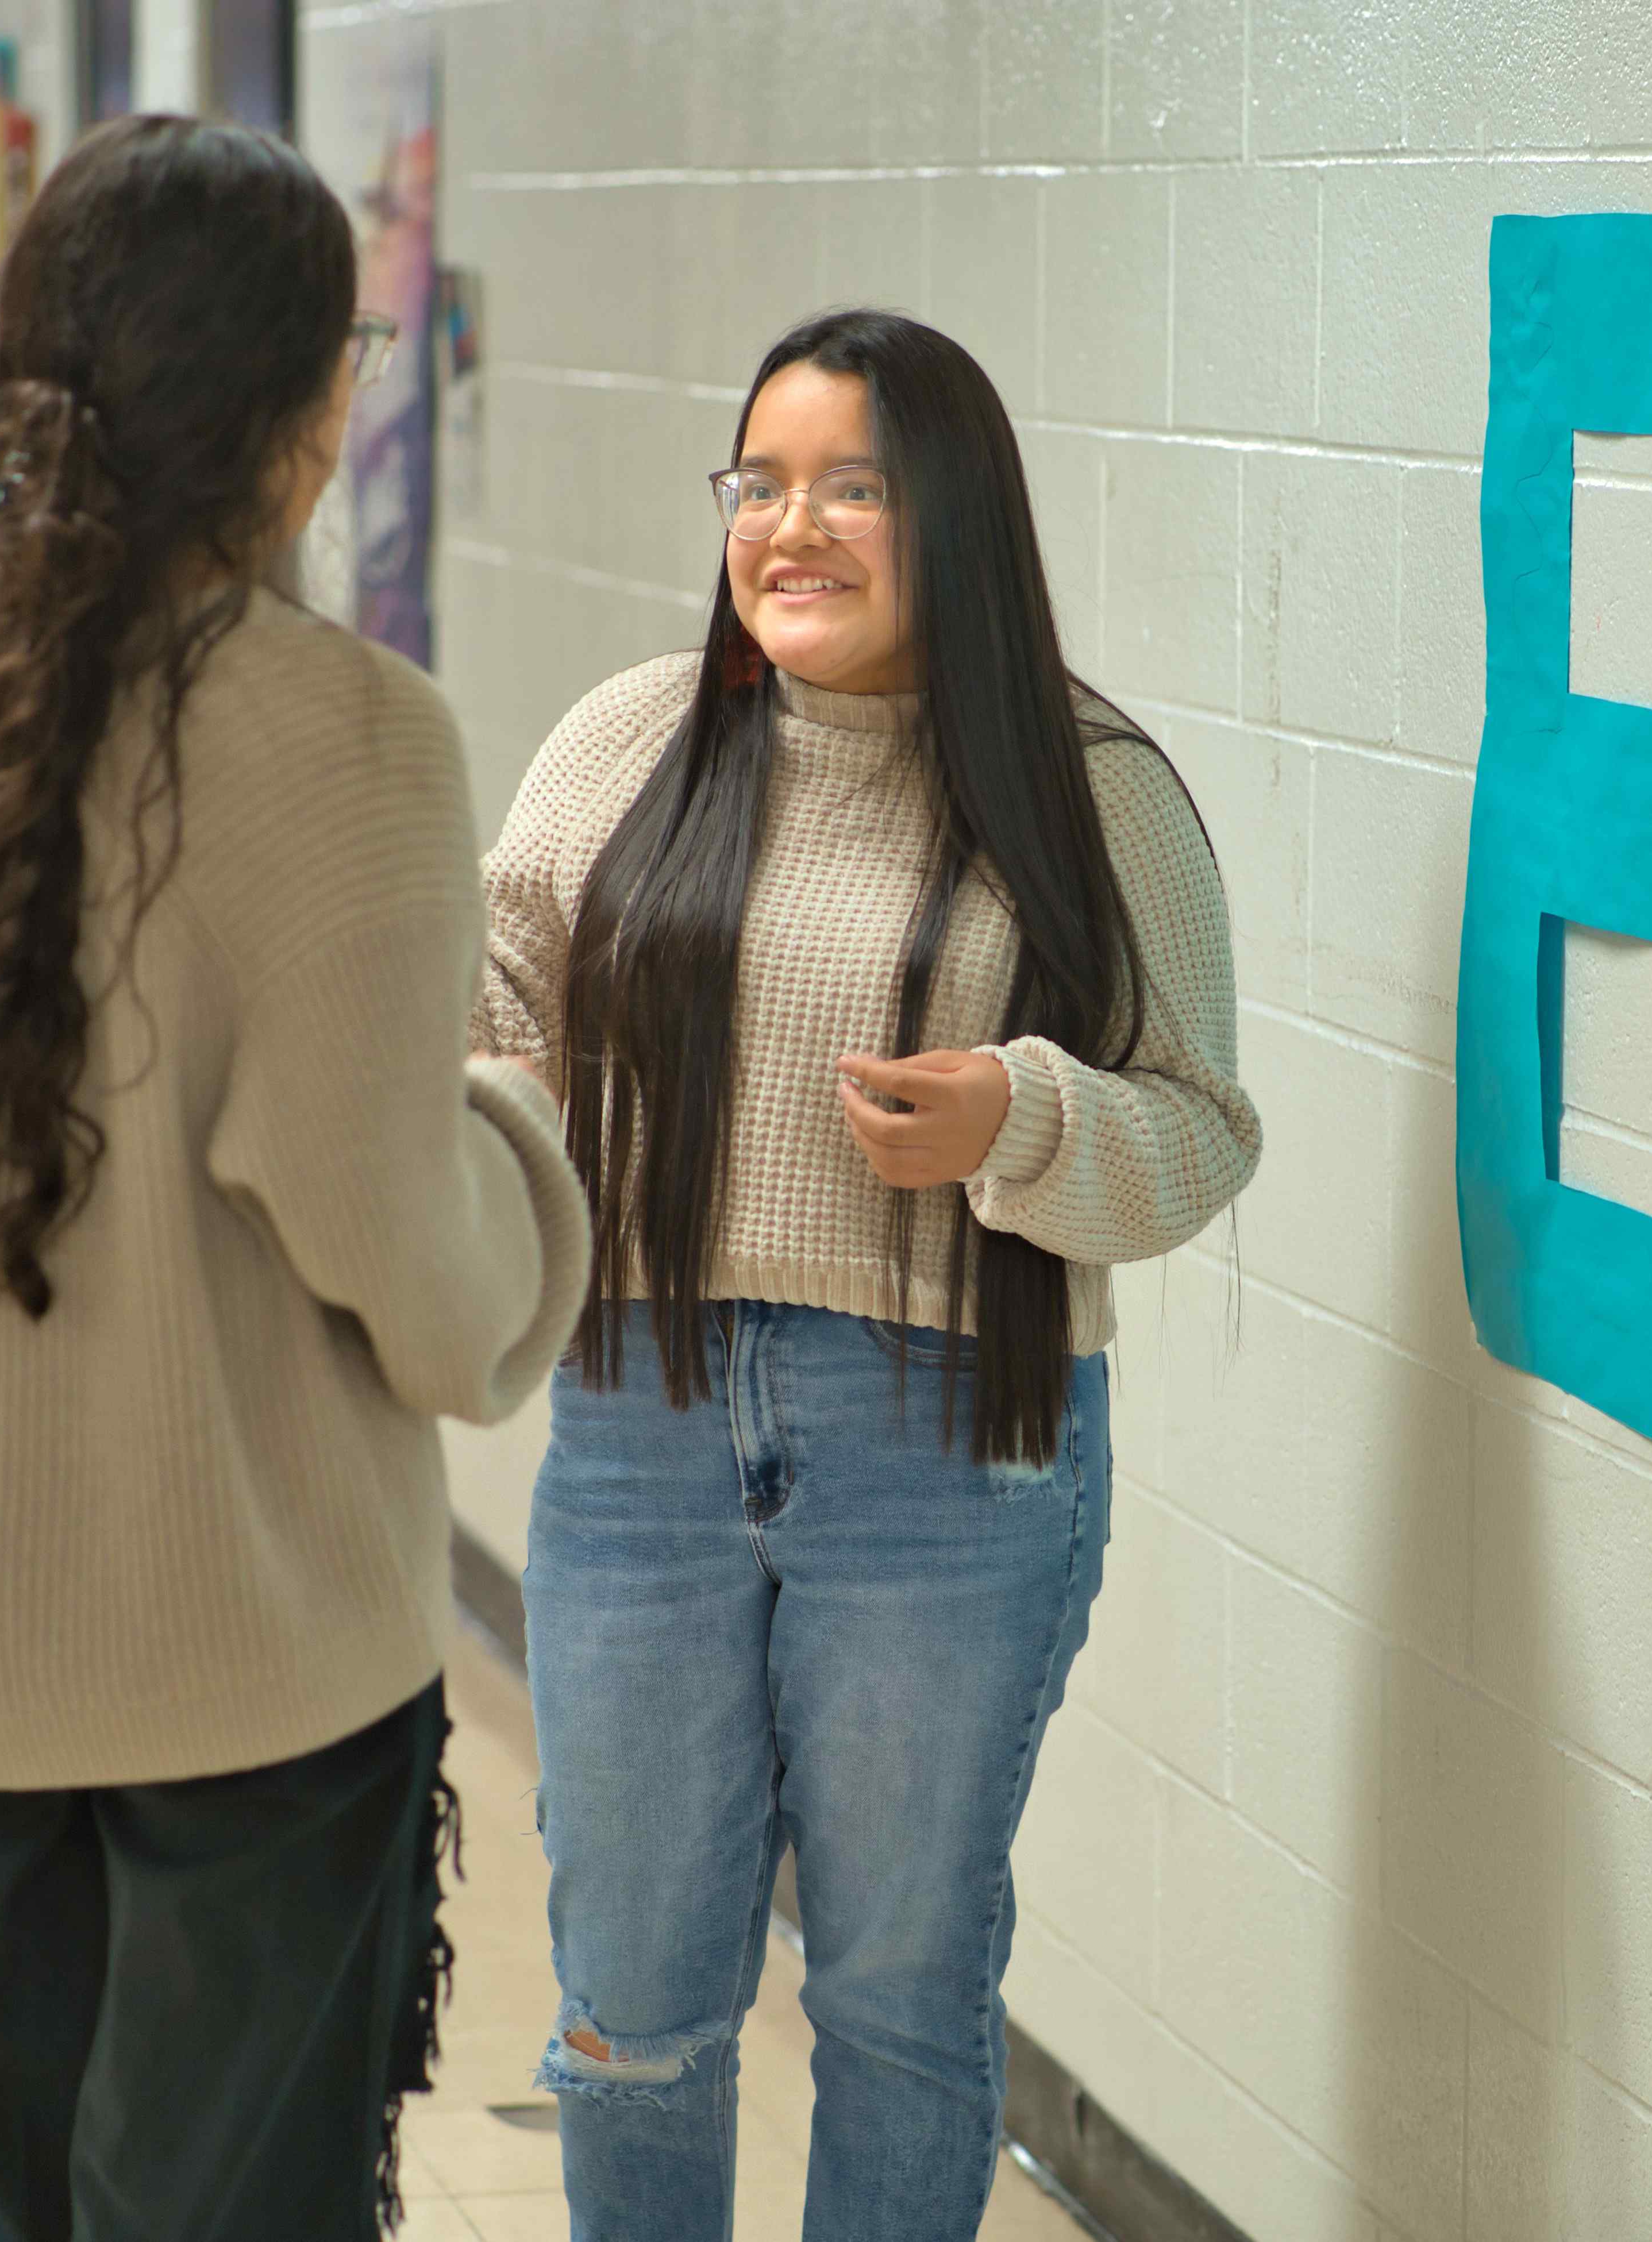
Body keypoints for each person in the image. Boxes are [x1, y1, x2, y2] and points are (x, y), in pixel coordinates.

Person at [0, 116, 587, 2241]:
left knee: (42, 2195)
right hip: (240, 1689)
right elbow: (438, 1298)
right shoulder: (346, 739)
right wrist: (532, 1124)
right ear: (294, 413)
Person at [473, 308, 1262, 2241]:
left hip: (944, 1457)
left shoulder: (1093, 790)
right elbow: (492, 1039)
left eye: (851, 486)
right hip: (639, 1425)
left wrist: (1023, 1118)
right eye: (759, 482)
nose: (788, 527)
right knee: (635, 1996)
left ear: (956, 519)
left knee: (897, 1997)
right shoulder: (625, 744)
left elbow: (1203, 1130)